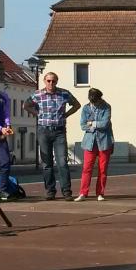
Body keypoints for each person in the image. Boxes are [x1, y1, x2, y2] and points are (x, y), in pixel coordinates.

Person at [24, 72, 81, 201]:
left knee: (62, 162)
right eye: (48, 81)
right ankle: (50, 191)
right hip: (43, 130)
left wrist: (66, 114)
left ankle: (66, 191)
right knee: (46, 163)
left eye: (53, 81)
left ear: (56, 82)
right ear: (44, 81)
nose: (51, 83)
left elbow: (77, 105)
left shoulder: (64, 93)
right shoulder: (37, 94)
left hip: (59, 131)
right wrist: (36, 113)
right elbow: (26, 105)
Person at [75, 88, 114, 202]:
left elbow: (105, 124)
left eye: (96, 101)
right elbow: (82, 125)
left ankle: (100, 193)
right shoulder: (86, 108)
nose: (93, 104)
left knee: (102, 170)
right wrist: (95, 126)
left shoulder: (106, 107)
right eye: (92, 101)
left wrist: (92, 123)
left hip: (104, 142)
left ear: (100, 98)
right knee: (86, 168)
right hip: (89, 143)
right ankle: (83, 193)